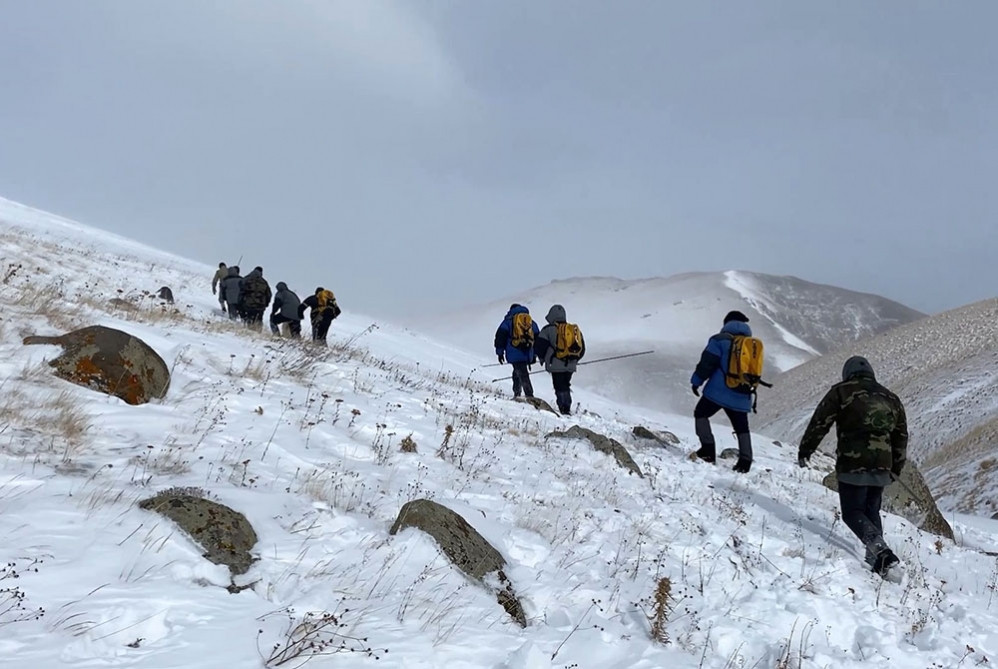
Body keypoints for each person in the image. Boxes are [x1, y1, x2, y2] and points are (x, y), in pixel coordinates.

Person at [797, 356, 908, 576]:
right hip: (882, 464)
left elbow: (820, 422)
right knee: (870, 510)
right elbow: (901, 435)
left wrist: (806, 449)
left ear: (847, 373)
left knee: (852, 512)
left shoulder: (841, 391)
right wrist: (896, 467)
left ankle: (882, 552)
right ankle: (876, 562)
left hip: (853, 461)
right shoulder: (890, 397)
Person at [690, 310, 754, 473]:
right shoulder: (751, 344)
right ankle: (745, 461)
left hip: (718, 392)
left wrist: (696, 382)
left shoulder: (719, 340)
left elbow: (707, 364)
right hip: (742, 394)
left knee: (701, 414)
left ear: (726, 323)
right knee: (742, 428)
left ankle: (708, 451)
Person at [534, 304, 585, 415]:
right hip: (571, 365)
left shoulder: (548, 329)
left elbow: (539, 347)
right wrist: (574, 360)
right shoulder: (573, 330)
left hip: (555, 364)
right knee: (565, 384)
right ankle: (566, 407)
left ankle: (564, 409)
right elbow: (582, 349)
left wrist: (544, 359)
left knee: (559, 386)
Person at [494, 304, 540, 399]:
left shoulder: (508, 321)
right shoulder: (530, 322)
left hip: (514, 351)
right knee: (519, 371)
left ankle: (529, 395)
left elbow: (500, 337)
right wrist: (535, 354)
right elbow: (537, 338)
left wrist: (500, 353)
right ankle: (517, 393)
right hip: (527, 351)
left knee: (522, 372)